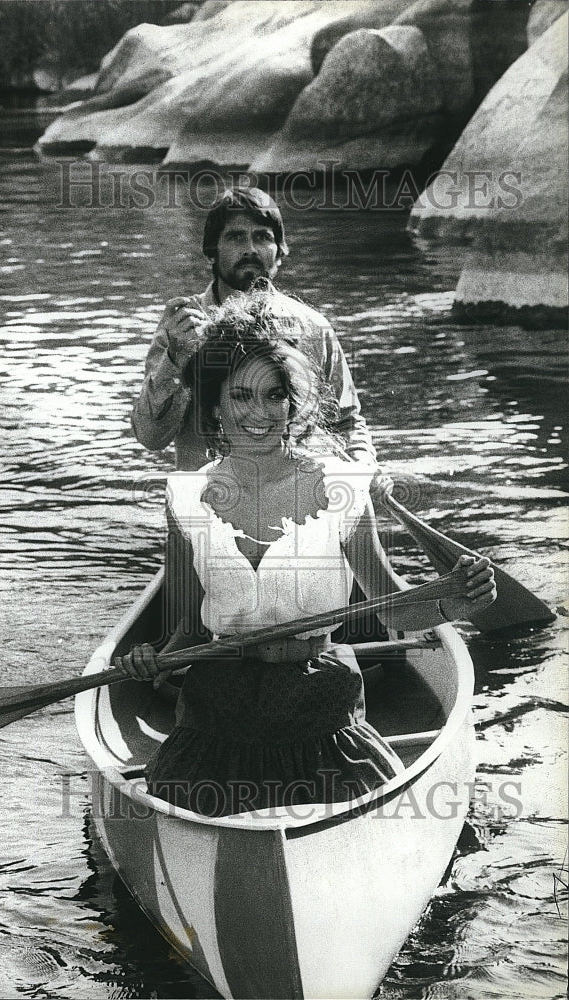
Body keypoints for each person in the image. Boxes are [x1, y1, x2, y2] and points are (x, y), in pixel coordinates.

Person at [116, 292, 495, 819]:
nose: (259, 414)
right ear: (215, 402)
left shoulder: (342, 487)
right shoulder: (185, 498)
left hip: (320, 707)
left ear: (294, 404)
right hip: (215, 711)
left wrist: (455, 605)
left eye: (275, 396)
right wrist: (148, 658)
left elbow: (390, 610)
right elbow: (186, 633)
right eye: (241, 395)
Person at [131, 186, 376, 472]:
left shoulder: (313, 328)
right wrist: (175, 361)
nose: (250, 249)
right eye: (235, 237)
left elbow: (347, 423)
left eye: (262, 237)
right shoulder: (182, 328)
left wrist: (364, 470)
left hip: (294, 503)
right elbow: (150, 437)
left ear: (279, 252)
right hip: (208, 502)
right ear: (212, 252)